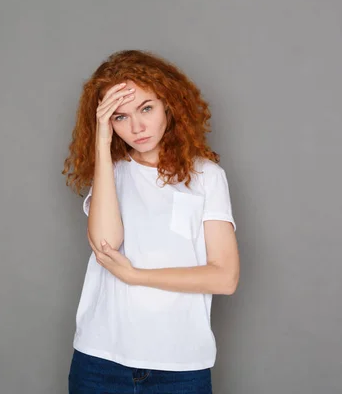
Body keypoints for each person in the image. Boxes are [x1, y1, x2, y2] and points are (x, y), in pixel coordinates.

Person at [62, 49, 240, 394]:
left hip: (179, 366)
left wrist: (136, 275)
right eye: (119, 117)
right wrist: (101, 141)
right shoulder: (110, 174)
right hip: (100, 360)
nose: (137, 127)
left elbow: (225, 276)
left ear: (168, 105)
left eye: (146, 108)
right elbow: (106, 246)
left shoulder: (207, 177)